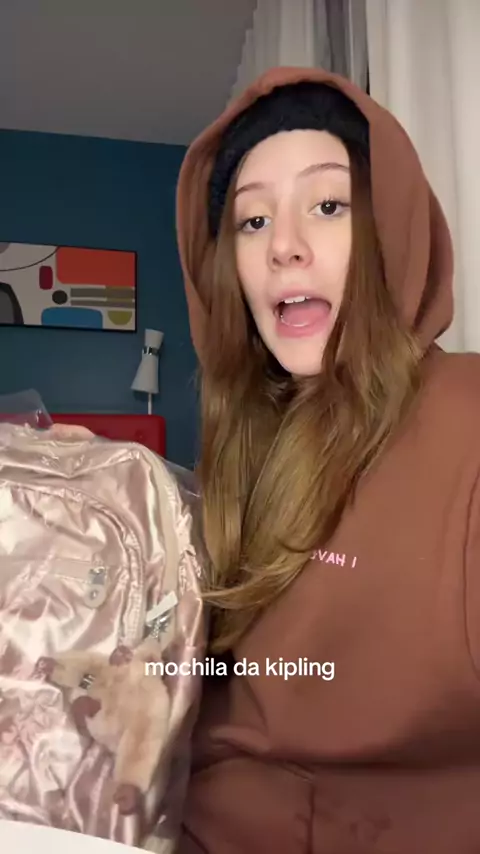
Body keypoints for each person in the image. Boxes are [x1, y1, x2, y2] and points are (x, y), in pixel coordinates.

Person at [174, 66, 480, 853]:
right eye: (251, 221)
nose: (283, 246)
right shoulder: (244, 444)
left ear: (389, 231)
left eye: (329, 205)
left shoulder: (468, 419)